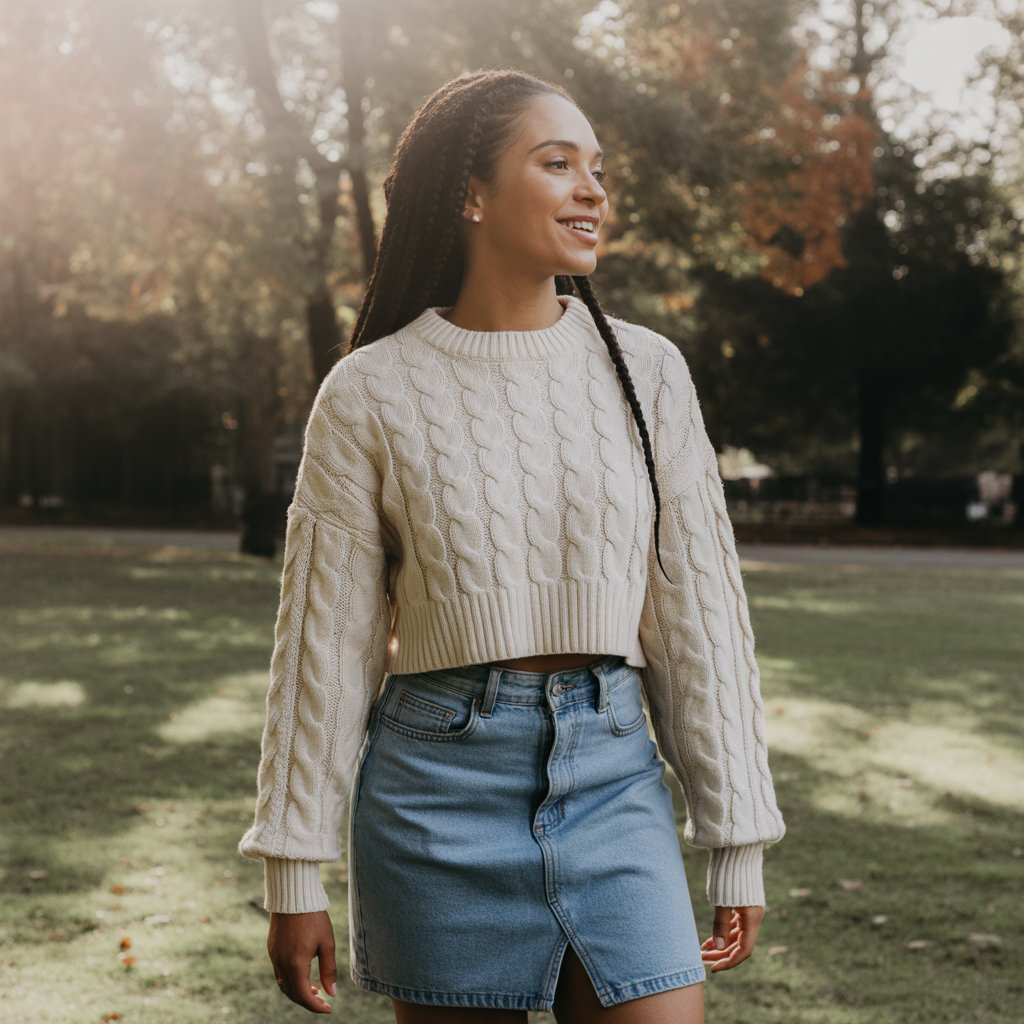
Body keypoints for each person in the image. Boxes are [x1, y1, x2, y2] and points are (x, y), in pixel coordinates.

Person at [239, 68, 785, 1024]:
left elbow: (699, 618)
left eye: (598, 169)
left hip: (615, 778)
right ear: (471, 194)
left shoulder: (649, 373)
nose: (593, 190)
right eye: (558, 163)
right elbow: (323, 643)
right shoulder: (368, 392)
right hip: (435, 792)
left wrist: (735, 837)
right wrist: (294, 868)